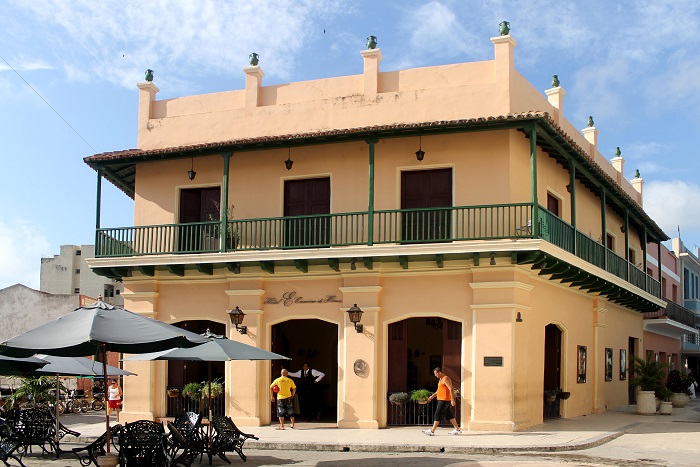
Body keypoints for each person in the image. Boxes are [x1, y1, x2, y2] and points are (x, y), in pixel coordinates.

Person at [422, 367, 461, 436]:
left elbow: (451, 389)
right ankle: (457, 430)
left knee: (437, 414)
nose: (435, 375)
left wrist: (452, 399)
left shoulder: (446, 378)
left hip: (444, 400)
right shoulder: (441, 379)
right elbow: (439, 391)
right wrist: (433, 396)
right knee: (449, 415)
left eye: (435, 373)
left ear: (439, 372)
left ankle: (432, 431)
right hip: (442, 399)